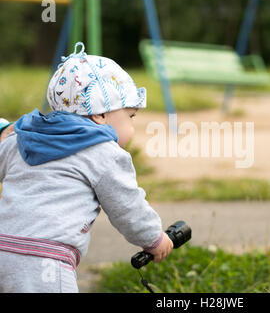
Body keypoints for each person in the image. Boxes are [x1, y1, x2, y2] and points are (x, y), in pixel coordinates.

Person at [0, 42, 173, 293]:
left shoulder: (23, 139)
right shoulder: (104, 154)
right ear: (100, 115)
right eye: (130, 116)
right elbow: (127, 206)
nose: (132, 127)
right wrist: (153, 238)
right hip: (47, 261)